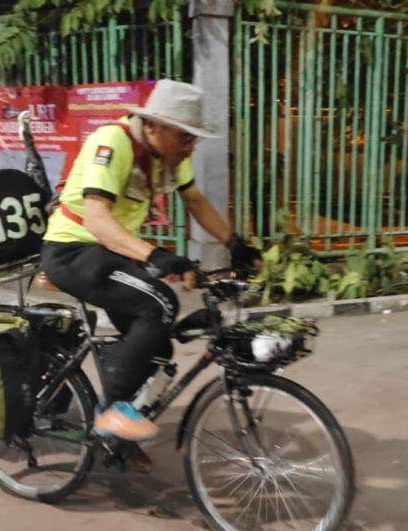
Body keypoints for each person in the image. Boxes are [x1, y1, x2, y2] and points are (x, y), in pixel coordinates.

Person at [40, 80, 261, 461]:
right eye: (184, 137)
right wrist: (154, 255)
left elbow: (194, 200)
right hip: (73, 248)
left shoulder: (172, 154)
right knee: (158, 304)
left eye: (194, 139)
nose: (190, 146)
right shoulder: (112, 143)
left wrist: (235, 243)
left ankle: (116, 438)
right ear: (154, 126)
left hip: (110, 252)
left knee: (157, 348)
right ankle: (111, 412)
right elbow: (96, 218)